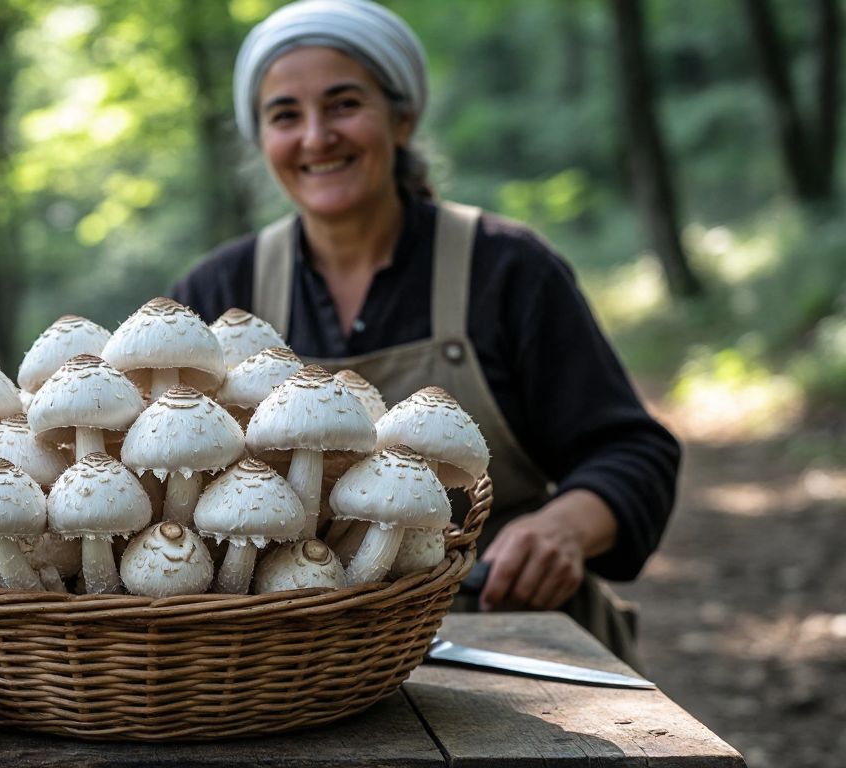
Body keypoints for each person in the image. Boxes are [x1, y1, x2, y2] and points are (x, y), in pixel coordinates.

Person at [170, 0, 679, 667]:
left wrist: (562, 528)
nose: (317, 136)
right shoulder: (217, 293)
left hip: (503, 629)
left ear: (402, 117)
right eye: (285, 115)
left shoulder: (507, 269)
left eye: (344, 103)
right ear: (262, 139)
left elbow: (633, 452)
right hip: (270, 659)